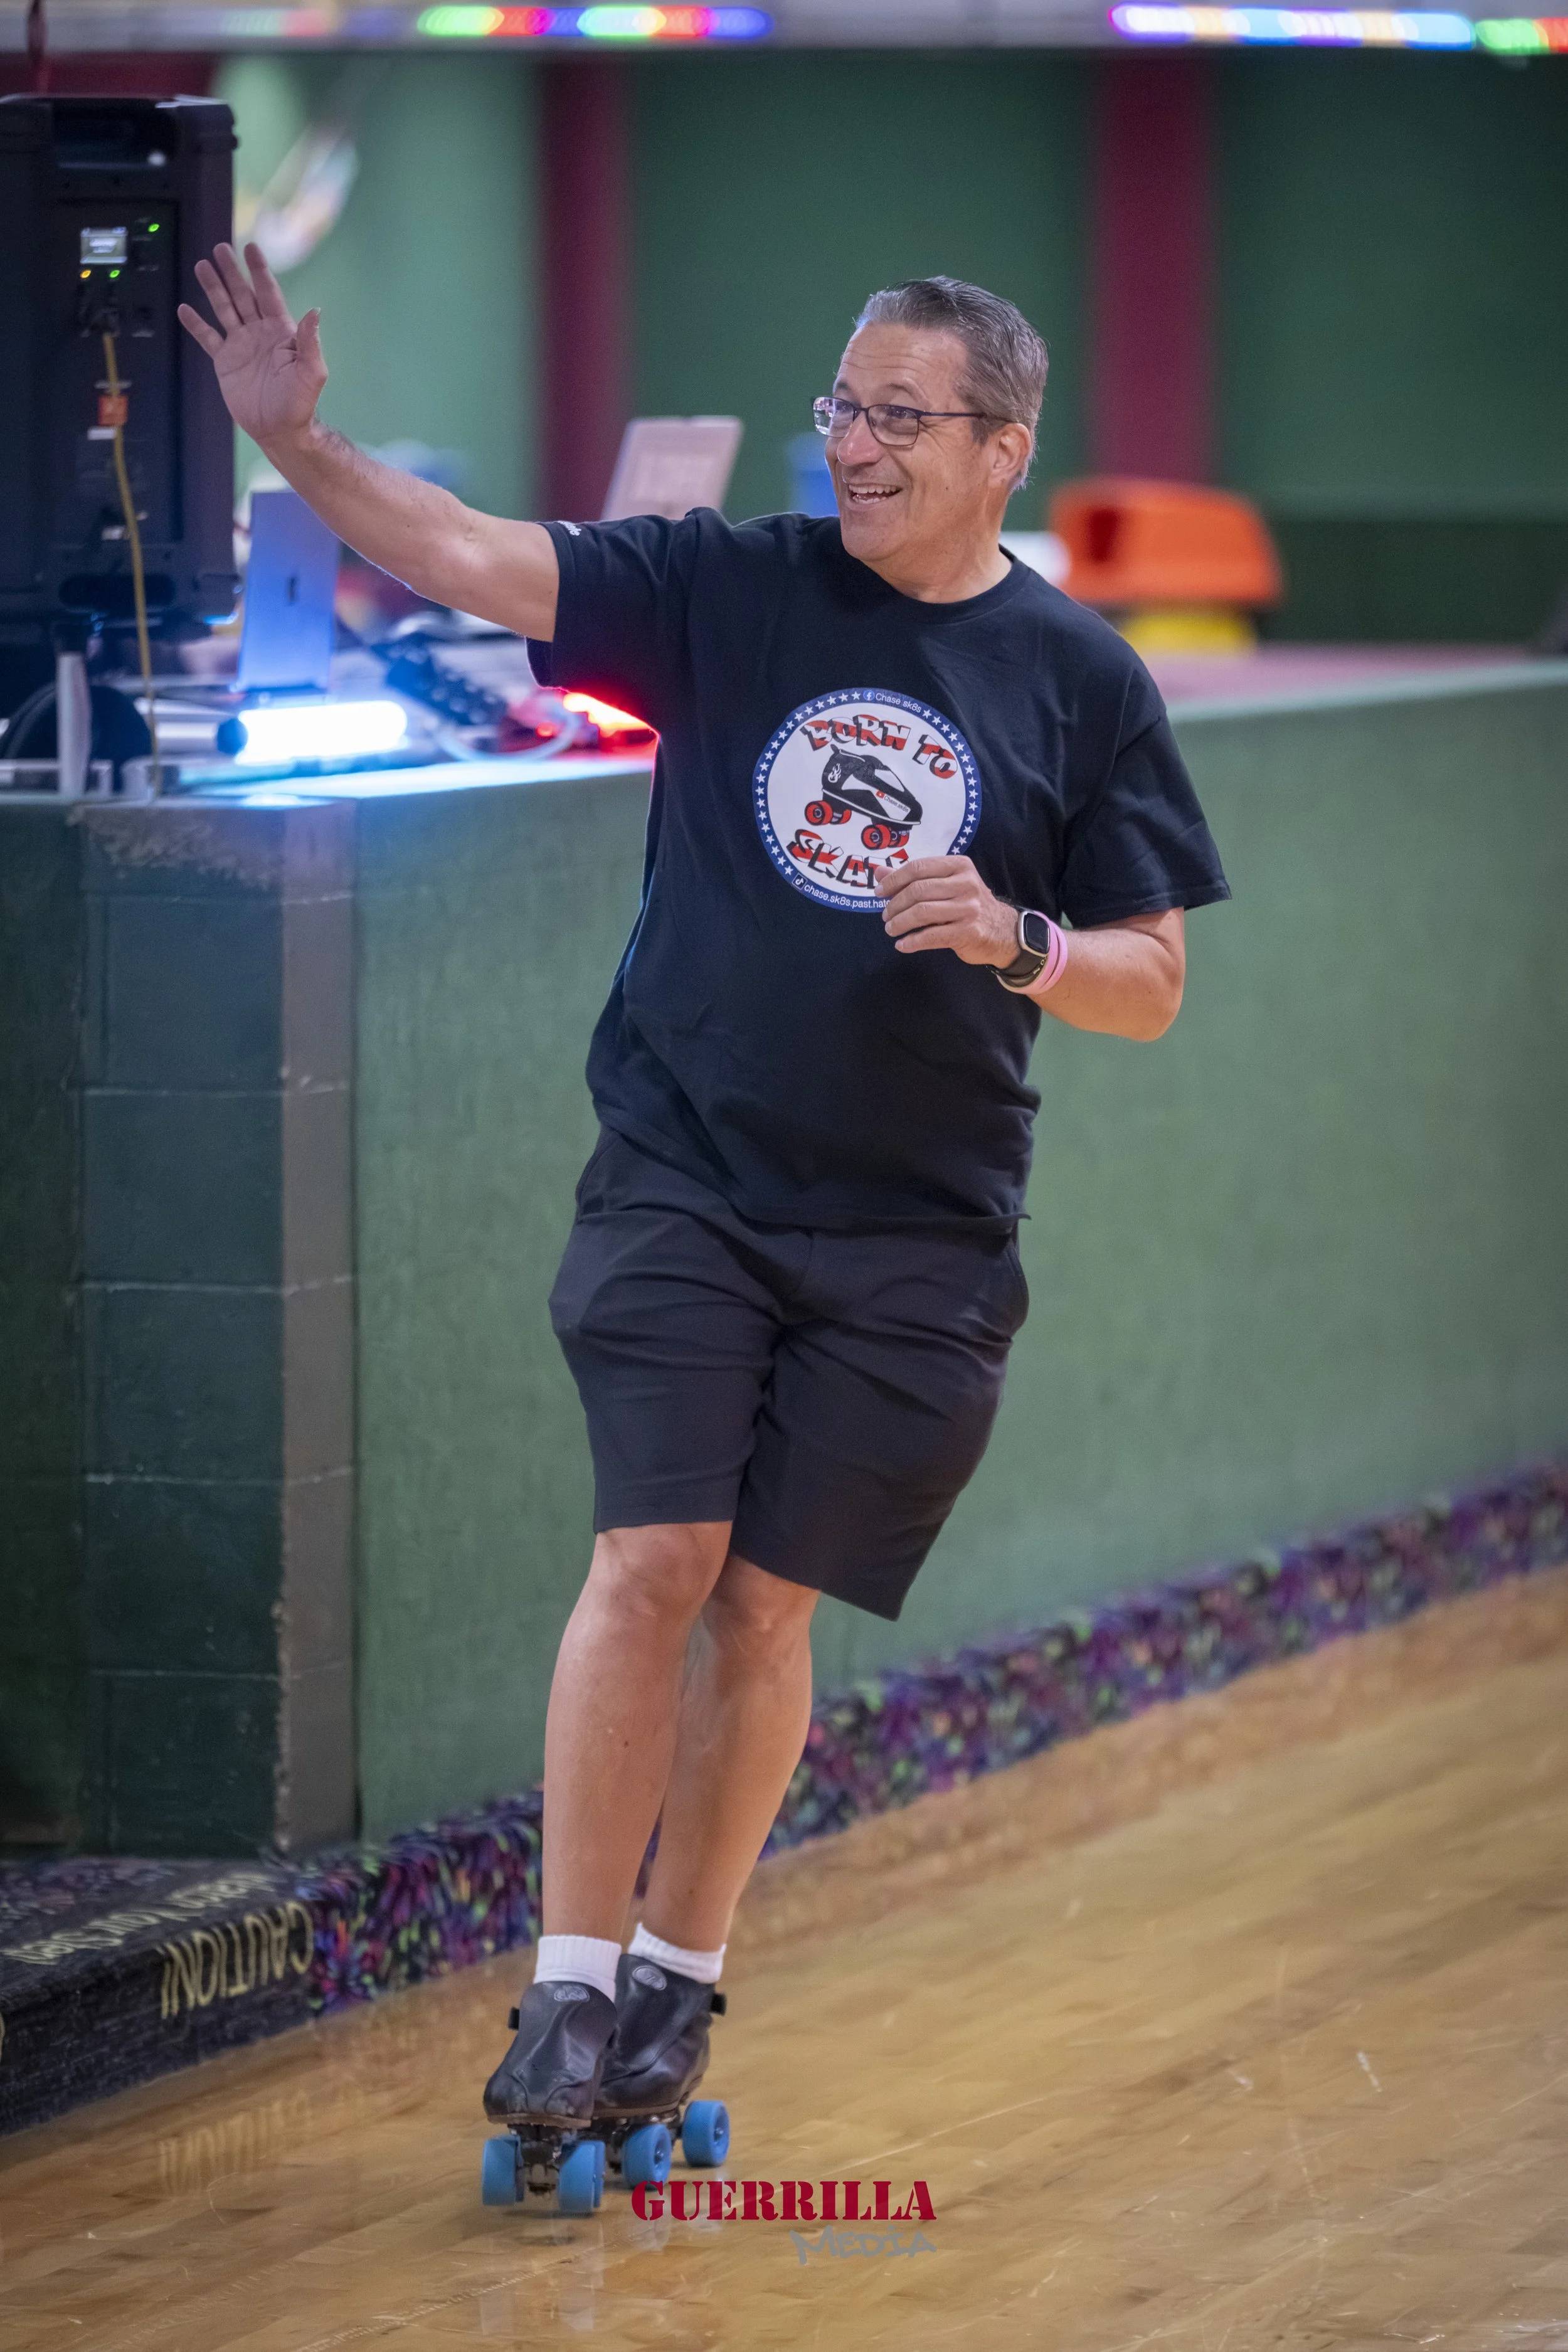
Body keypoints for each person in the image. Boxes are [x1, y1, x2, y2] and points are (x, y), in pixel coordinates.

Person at [181, 250, 1229, 2146]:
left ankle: (677, 1973)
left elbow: (1148, 984)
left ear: (1004, 449)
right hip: (684, 1170)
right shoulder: (731, 587)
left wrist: (1017, 939)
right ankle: (567, 1991)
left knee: (760, 1602)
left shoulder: (1078, 675)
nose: (856, 444)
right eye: (842, 406)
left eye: (901, 417)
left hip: (917, 1220)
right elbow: (471, 556)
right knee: (650, 1559)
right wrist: (299, 441)